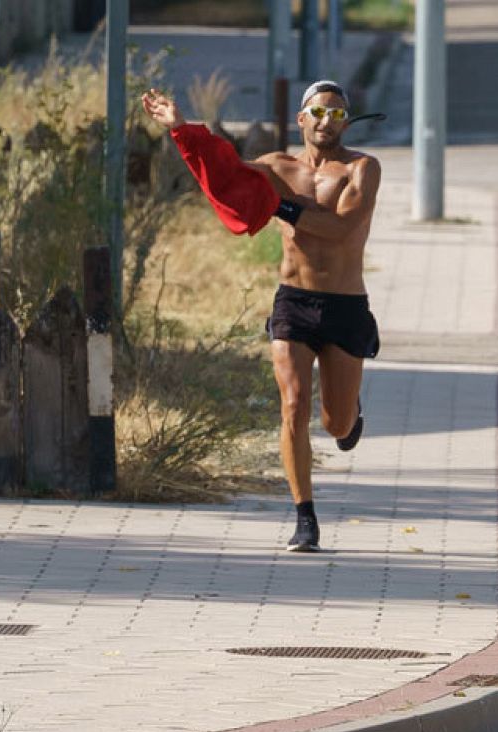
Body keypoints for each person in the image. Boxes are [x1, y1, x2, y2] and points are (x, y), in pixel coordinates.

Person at [143, 80, 382, 553]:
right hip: (293, 300)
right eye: (318, 112)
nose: (325, 121)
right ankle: (304, 518)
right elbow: (227, 175)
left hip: (345, 305)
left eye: (336, 114)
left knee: (334, 423)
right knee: (293, 404)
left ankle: (350, 419)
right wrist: (182, 130)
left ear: (346, 121)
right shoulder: (276, 167)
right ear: (301, 119)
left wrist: (282, 204)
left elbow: (339, 227)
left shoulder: (363, 168)